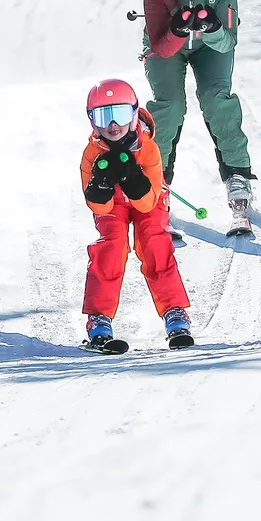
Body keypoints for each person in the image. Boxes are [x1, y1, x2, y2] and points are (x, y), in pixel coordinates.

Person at [142, 0, 256, 225]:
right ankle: (157, 183)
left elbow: (228, 41)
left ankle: (237, 176)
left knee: (217, 98)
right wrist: (179, 29)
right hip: (168, 45)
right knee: (169, 106)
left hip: (210, 46)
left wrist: (212, 27)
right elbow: (162, 48)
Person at [81, 78, 193, 347]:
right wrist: (102, 185)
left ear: (133, 114)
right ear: (92, 121)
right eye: (103, 117)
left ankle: (174, 312)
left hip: (147, 200)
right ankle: (99, 318)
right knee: (111, 245)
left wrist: (132, 178)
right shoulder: (91, 154)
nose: (113, 125)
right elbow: (98, 208)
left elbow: (147, 203)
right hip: (114, 205)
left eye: (119, 114)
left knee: (154, 241)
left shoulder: (148, 148)